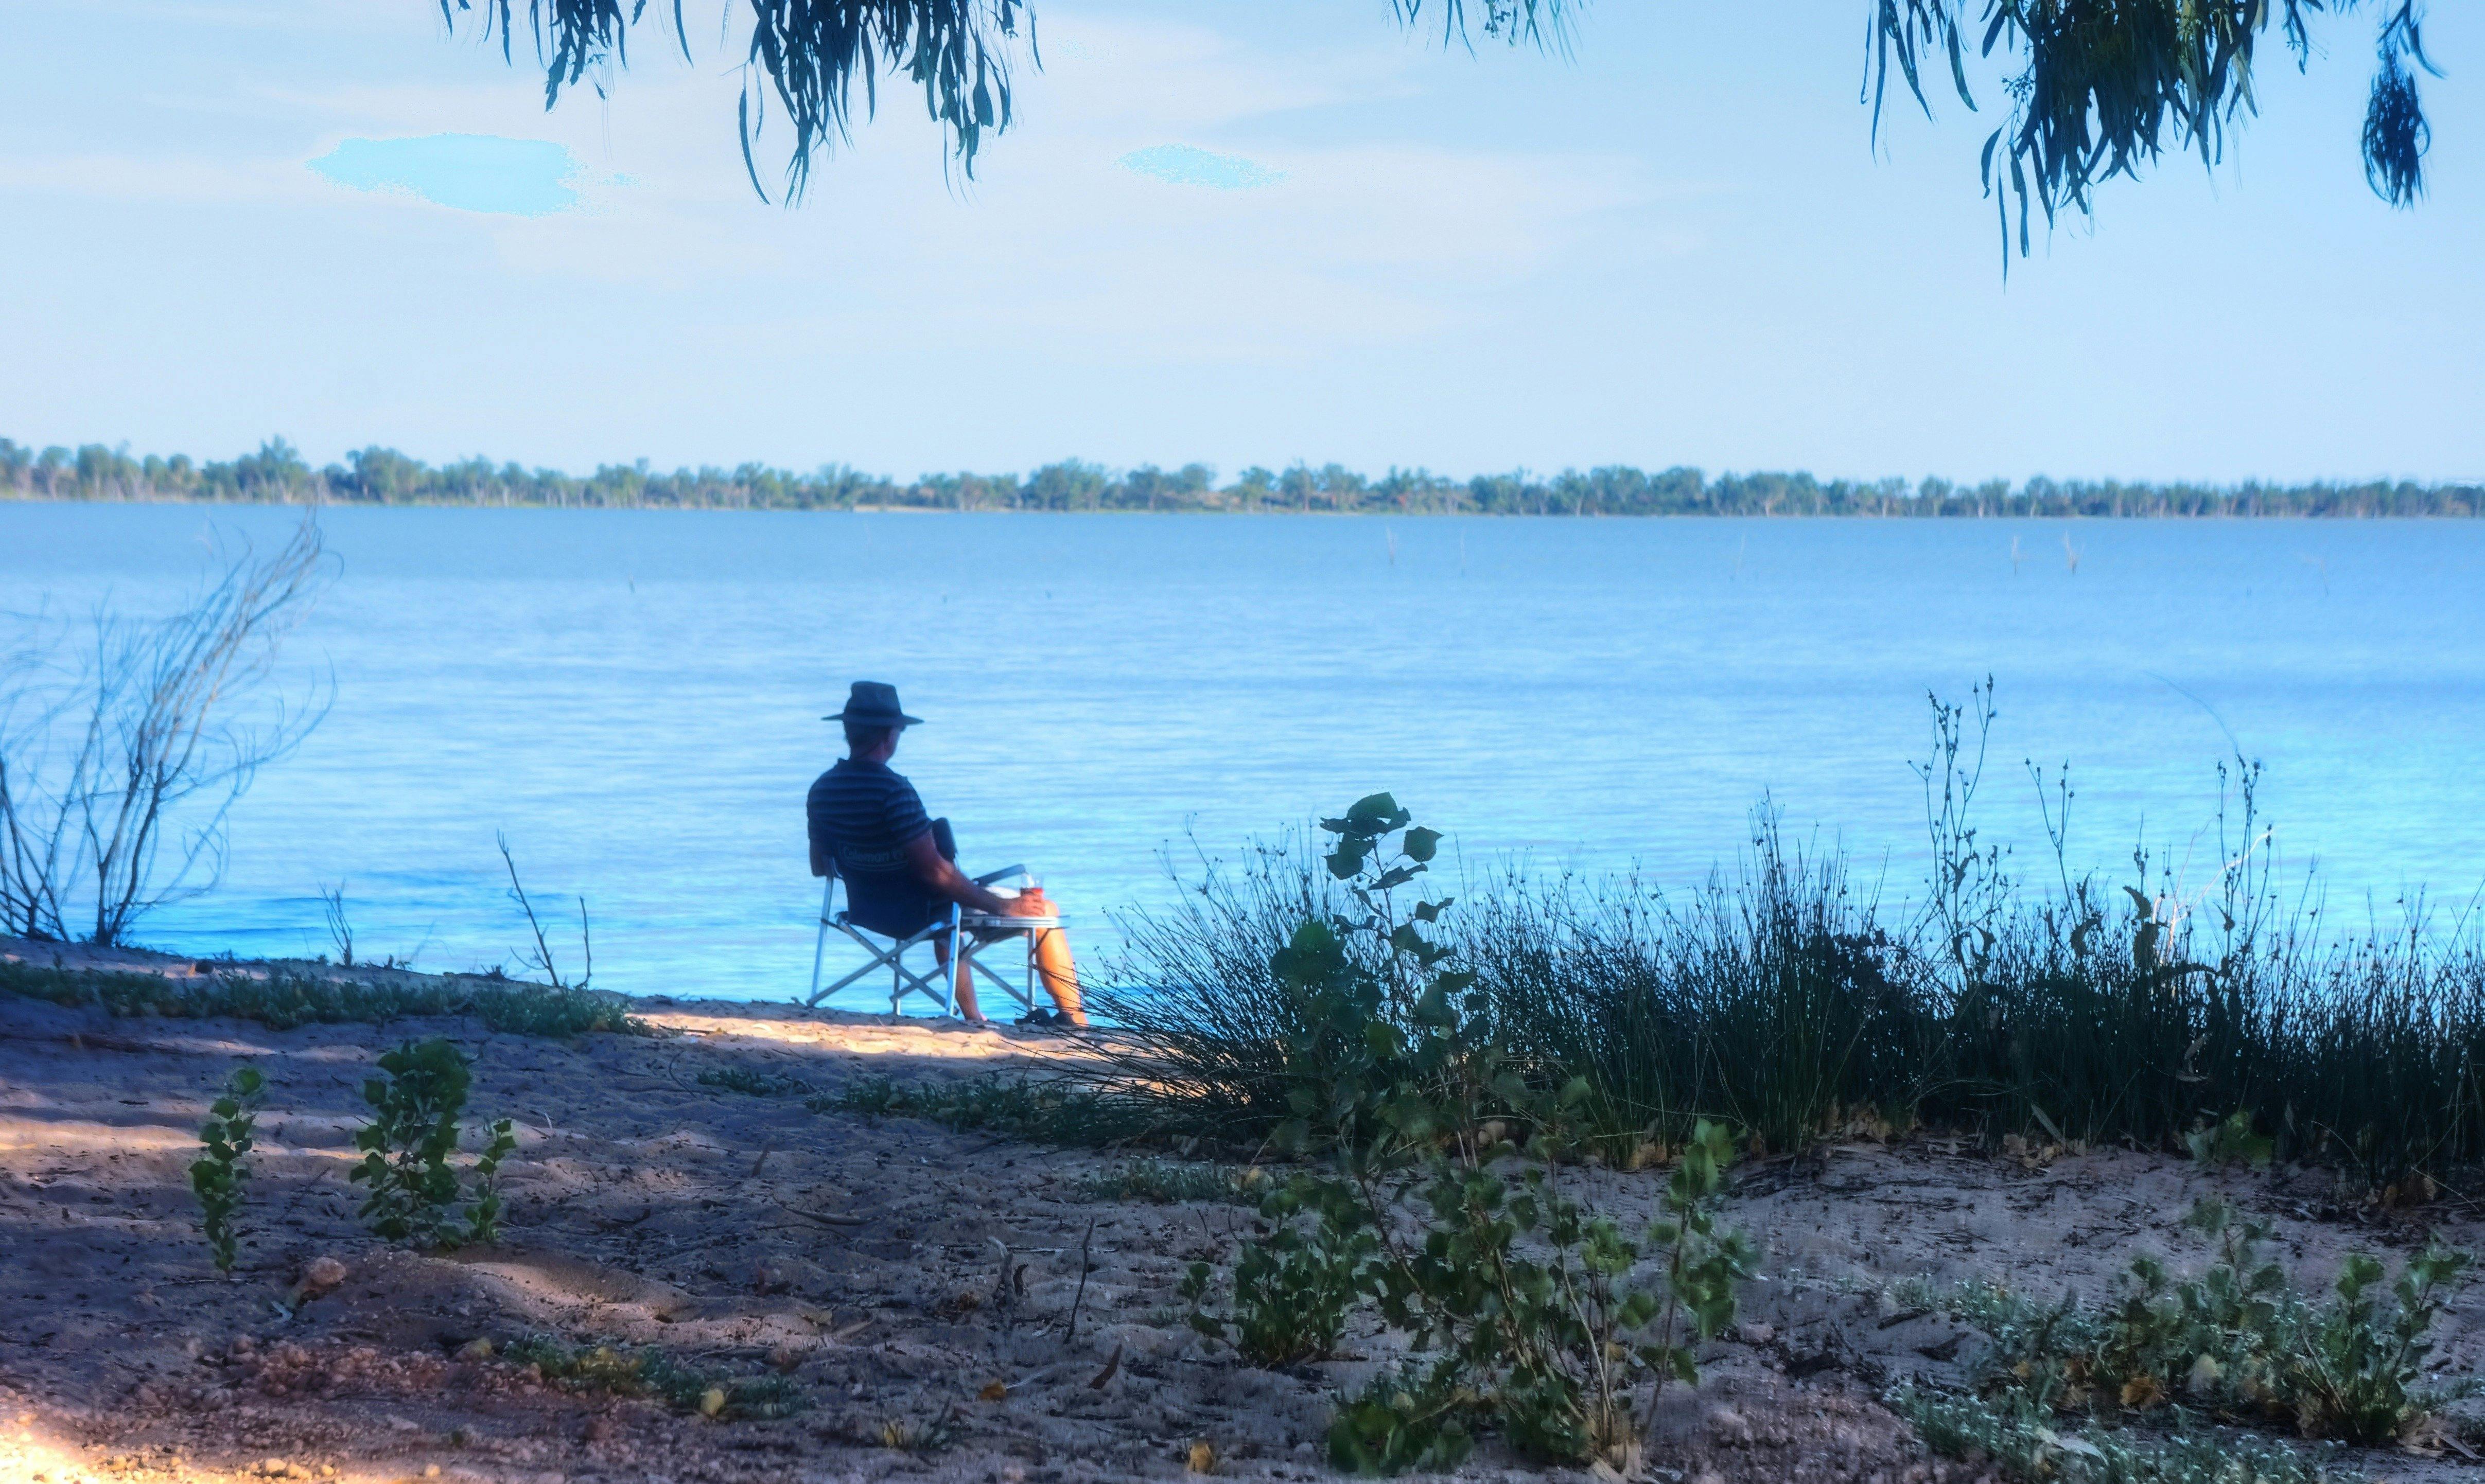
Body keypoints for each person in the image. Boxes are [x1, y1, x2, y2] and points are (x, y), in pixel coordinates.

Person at [806, 681, 1084, 1026]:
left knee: (945, 913)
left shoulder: (822, 790)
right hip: (924, 913)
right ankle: (1074, 1020)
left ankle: (974, 1017)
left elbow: (820, 866)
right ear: (890, 735)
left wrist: (869, 861)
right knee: (1045, 911)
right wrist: (1001, 906)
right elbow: (934, 873)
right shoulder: (895, 791)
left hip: (867, 912)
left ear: (848, 731)